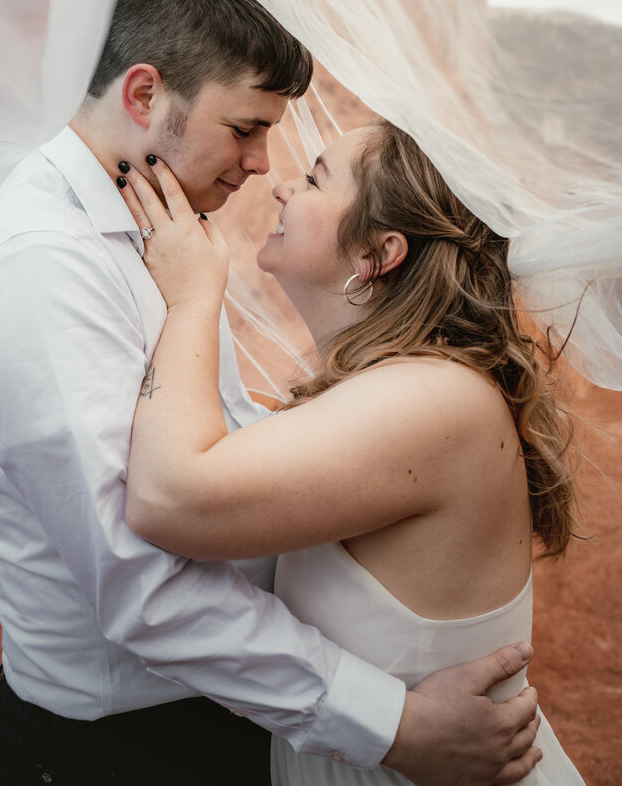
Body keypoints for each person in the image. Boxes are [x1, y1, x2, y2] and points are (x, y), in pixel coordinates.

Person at [0, 0, 542, 786]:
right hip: (115, 753)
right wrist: (390, 723)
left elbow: (213, 443)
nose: (263, 167)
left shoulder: (169, 229)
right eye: (246, 128)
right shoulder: (37, 271)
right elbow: (144, 590)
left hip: (232, 713)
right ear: (145, 94)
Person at [122, 120, 585, 785]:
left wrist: (193, 296)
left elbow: (168, 499)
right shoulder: (397, 389)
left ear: (377, 253)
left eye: (313, 180)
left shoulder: (430, 400)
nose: (282, 188)